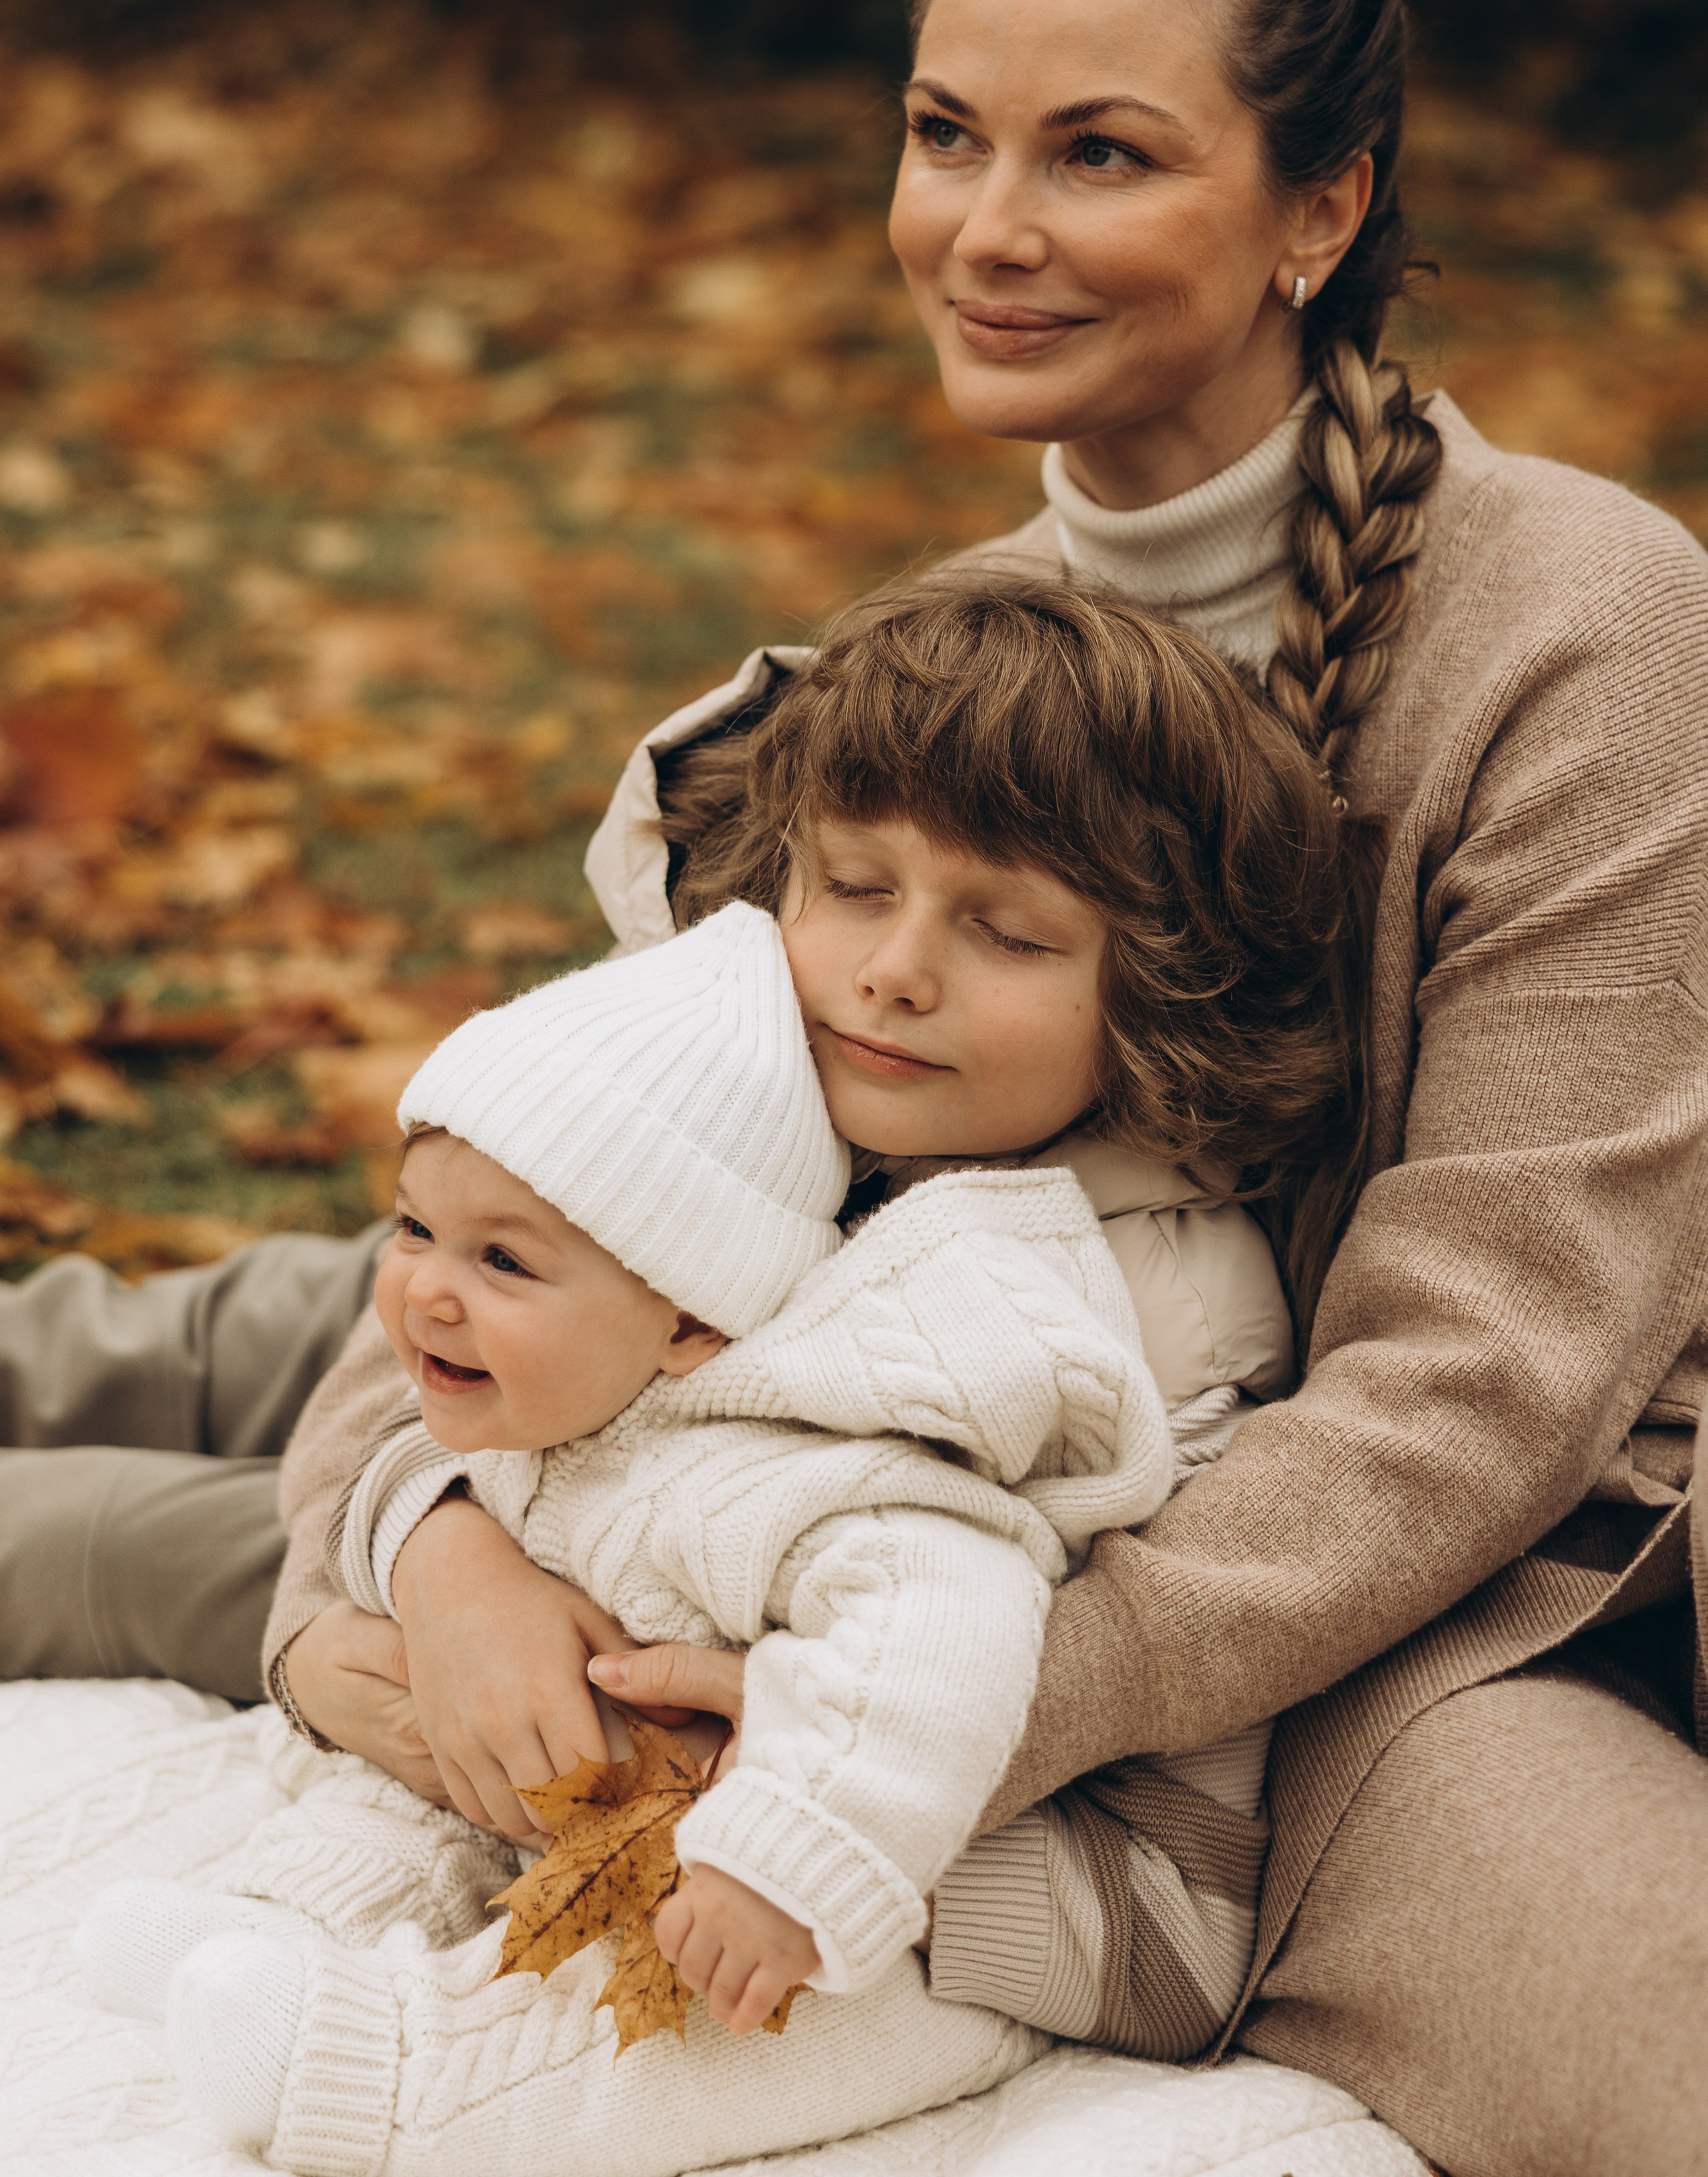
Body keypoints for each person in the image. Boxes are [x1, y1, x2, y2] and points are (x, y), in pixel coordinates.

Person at [3, 0, 1705, 2177]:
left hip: (1311, 1576)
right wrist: (444, 1566)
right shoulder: (932, 683)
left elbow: (1478, 1389)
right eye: (944, 134)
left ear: (1321, 210)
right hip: (814, 1417)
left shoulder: (1585, 642)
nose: (988, 233)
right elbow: (530, 1238)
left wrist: (951, 1717)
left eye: (1101, 155)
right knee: (292, 1348)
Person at [74, 573, 1356, 2172]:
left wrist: (795, 1822)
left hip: (1033, 1872)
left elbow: (979, 1629)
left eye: (1008, 932)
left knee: (749, 2001)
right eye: (851, 886)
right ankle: (279, 1924)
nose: (893, 970)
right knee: (402, 1763)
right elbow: (443, 1389)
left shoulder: (1129, 1308)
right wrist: (438, 1557)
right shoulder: (772, 1131)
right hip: (689, 1756)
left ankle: (403, 2080)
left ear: (1161, 992)